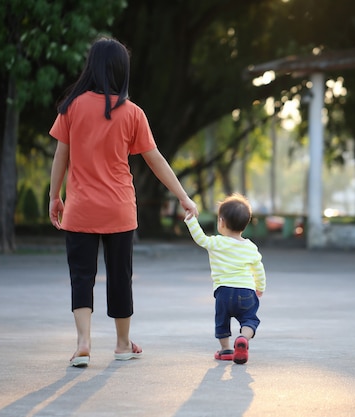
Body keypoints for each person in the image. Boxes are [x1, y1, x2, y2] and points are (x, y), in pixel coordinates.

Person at [48, 36, 198, 367]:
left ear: (92, 66)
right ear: (121, 70)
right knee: (120, 277)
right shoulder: (132, 113)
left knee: (81, 277)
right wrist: (183, 197)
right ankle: (121, 344)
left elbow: (61, 156)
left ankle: (84, 343)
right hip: (119, 209)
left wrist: (54, 196)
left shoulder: (71, 107)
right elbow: (155, 159)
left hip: (81, 208)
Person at [184, 194, 266, 364]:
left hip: (223, 292)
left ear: (221, 222)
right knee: (249, 319)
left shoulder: (217, 243)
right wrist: (260, 287)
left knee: (222, 320)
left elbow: (200, 239)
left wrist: (191, 220)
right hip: (246, 292)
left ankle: (226, 350)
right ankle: (243, 338)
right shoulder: (251, 247)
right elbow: (259, 269)